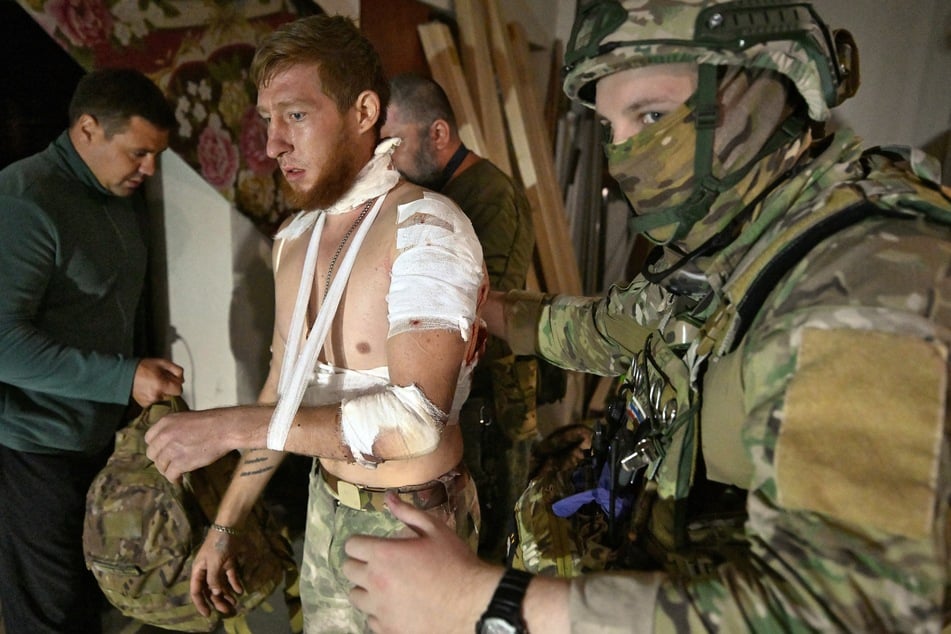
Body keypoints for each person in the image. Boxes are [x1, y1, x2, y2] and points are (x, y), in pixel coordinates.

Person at [341, 1, 951, 632]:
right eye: (611, 126)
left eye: (653, 115)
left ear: (763, 91)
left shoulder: (870, 278)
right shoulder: (733, 241)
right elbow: (613, 327)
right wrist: (481, 309)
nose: (624, 150)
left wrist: (485, 600)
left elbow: (845, 614)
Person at [143, 14, 487, 632]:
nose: (273, 145)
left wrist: (223, 428)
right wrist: (225, 525)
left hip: (412, 521)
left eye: (295, 115)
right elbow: (284, 387)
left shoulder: (428, 229)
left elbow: (414, 424)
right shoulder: (295, 238)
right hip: (326, 505)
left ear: (362, 112)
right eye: (267, 121)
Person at [0, 68, 185, 633]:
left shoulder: (110, 190)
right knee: (51, 617)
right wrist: (124, 377)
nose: (149, 169)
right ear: (86, 130)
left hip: (99, 444)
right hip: (34, 450)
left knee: (100, 604)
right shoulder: (24, 201)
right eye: (138, 153)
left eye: (156, 155)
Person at [382, 73, 537, 563]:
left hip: (491, 404)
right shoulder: (436, 196)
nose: (388, 159)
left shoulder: (489, 195)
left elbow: (478, 308)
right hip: (458, 402)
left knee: (488, 547)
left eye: (395, 143)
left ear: (439, 135)